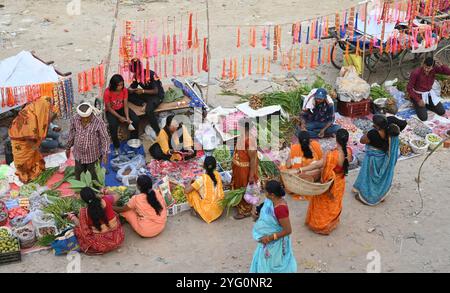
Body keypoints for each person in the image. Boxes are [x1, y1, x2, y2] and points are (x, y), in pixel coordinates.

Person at [300, 129, 352, 235]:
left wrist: (301, 170)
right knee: (334, 203)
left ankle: (320, 225)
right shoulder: (349, 151)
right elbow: (347, 162)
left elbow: (318, 165)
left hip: (330, 184)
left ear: (335, 138)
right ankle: (331, 222)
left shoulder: (331, 155)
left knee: (322, 203)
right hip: (340, 183)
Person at [353, 114, 401, 206]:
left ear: (376, 125)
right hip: (384, 159)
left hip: (374, 160)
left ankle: (368, 197)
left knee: (370, 178)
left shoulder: (373, 134)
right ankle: (380, 195)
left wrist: (367, 132)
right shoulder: (390, 132)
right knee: (380, 179)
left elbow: (362, 141)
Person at [249, 180, 297, 273]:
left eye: (265, 191)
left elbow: (288, 230)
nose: (264, 192)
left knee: (275, 264)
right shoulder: (270, 201)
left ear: (272, 194)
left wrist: (269, 238)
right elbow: (264, 211)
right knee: (267, 261)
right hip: (267, 240)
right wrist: (257, 215)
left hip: (275, 241)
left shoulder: (280, 208)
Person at [8, 97, 54, 183]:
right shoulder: (31, 115)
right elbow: (30, 133)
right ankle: (25, 174)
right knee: (23, 158)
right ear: (42, 107)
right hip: (20, 139)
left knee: (31, 154)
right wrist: (35, 145)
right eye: (46, 108)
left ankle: (31, 169)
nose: (46, 111)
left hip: (23, 137)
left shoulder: (32, 108)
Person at [68, 187, 124, 255]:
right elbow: (118, 195)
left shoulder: (84, 212)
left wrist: (72, 217)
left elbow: (80, 225)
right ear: (94, 194)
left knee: (78, 229)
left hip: (101, 244)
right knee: (114, 214)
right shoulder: (106, 200)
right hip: (118, 238)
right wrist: (105, 191)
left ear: (83, 200)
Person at [66, 103, 110, 180]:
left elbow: (105, 138)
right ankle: (81, 191)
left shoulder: (98, 122)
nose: (86, 119)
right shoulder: (75, 119)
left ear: (91, 114)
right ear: (79, 116)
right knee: (79, 175)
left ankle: (93, 190)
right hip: (79, 155)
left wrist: (105, 153)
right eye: (83, 118)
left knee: (93, 177)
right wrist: (68, 147)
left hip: (93, 155)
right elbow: (71, 133)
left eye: (88, 117)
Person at [104, 74, 140, 156]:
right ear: (114, 85)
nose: (121, 86)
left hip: (122, 108)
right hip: (111, 111)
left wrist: (127, 117)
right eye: (119, 85)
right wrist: (120, 117)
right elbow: (109, 108)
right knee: (113, 125)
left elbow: (125, 104)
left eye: (122, 84)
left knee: (135, 120)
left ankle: (133, 141)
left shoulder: (124, 90)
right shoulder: (107, 92)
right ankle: (116, 146)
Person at [128, 58, 165, 135]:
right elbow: (133, 87)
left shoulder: (151, 74)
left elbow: (156, 91)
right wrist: (130, 90)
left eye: (136, 71)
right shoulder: (136, 76)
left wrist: (143, 91)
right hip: (147, 95)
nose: (135, 74)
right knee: (129, 95)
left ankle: (158, 132)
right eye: (134, 72)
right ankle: (143, 103)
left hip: (157, 96)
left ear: (140, 68)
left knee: (148, 111)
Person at [407, 57, 450, 121]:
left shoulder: (434, 69)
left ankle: (426, 105)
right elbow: (409, 88)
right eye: (425, 67)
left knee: (441, 111)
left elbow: (448, 72)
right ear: (423, 64)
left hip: (428, 94)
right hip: (418, 95)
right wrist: (418, 100)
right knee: (424, 118)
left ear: (433, 67)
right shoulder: (416, 73)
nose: (426, 69)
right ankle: (416, 103)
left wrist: (441, 65)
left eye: (429, 68)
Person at [231, 118, 258, 220]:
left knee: (244, 187)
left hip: (245, 170)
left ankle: (245, 211)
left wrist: (251, 175)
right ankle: (238, 204)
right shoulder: (241, 136)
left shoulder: (250, 141)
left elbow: (253, 160)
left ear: (244, 128)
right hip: (238, 168)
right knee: (238, 186)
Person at [185, 156, 225, 224]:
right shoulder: (217, 174)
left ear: (203, 166)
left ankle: (195, 211)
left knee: (191, 192)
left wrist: (190, 181)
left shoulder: (202, 179)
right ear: (215, 166)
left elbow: (186, 191)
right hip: (220, 208)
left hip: (208, 212)